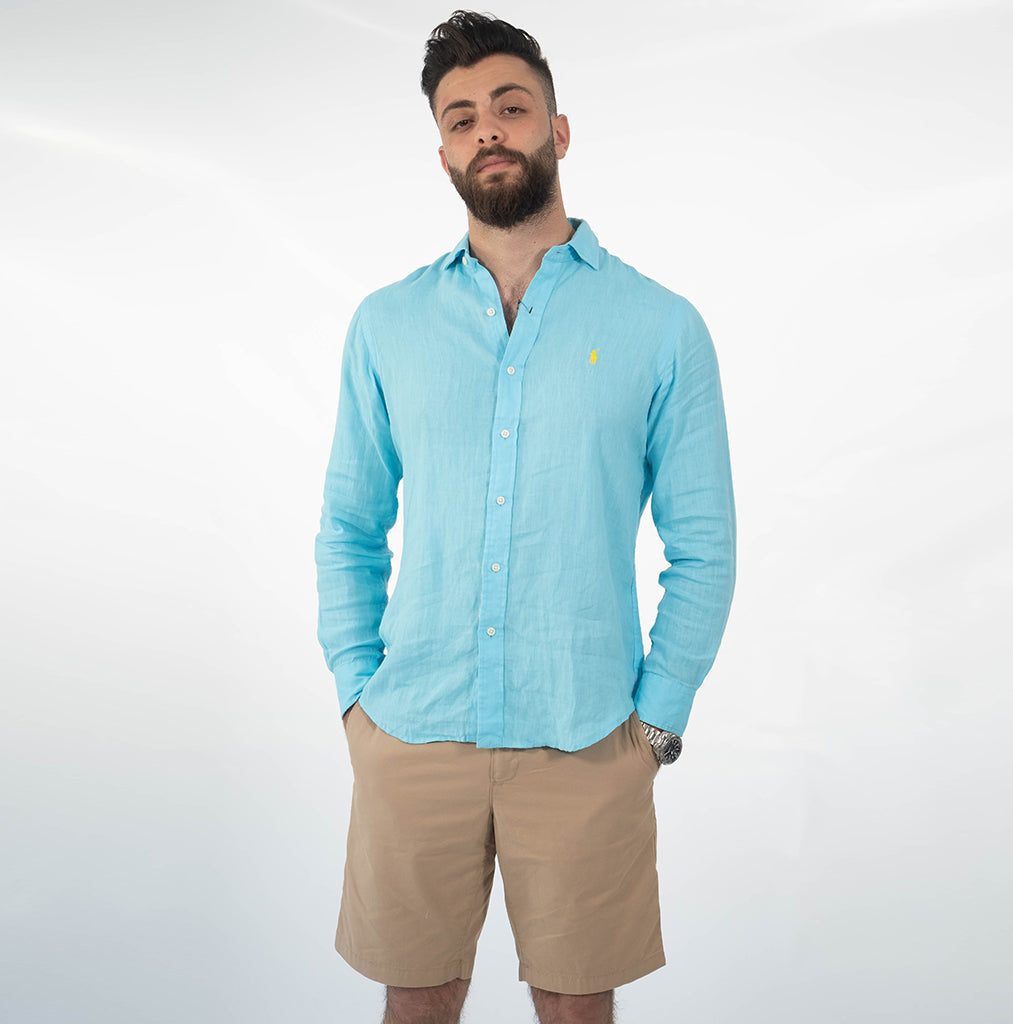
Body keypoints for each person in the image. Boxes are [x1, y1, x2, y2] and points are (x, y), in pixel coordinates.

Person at [314, 11, 736, 1023]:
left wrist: (656, 723)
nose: (487, 130)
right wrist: (357, 699)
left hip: (588, 736)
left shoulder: (661, 327)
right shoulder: (386, 324)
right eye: (461, 119)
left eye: (510, 107)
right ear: (443, 153)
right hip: (411, 730)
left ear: (559, 129)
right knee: (415, 1004)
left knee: (576, 1010)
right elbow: (349, 526)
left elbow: (704, 546)